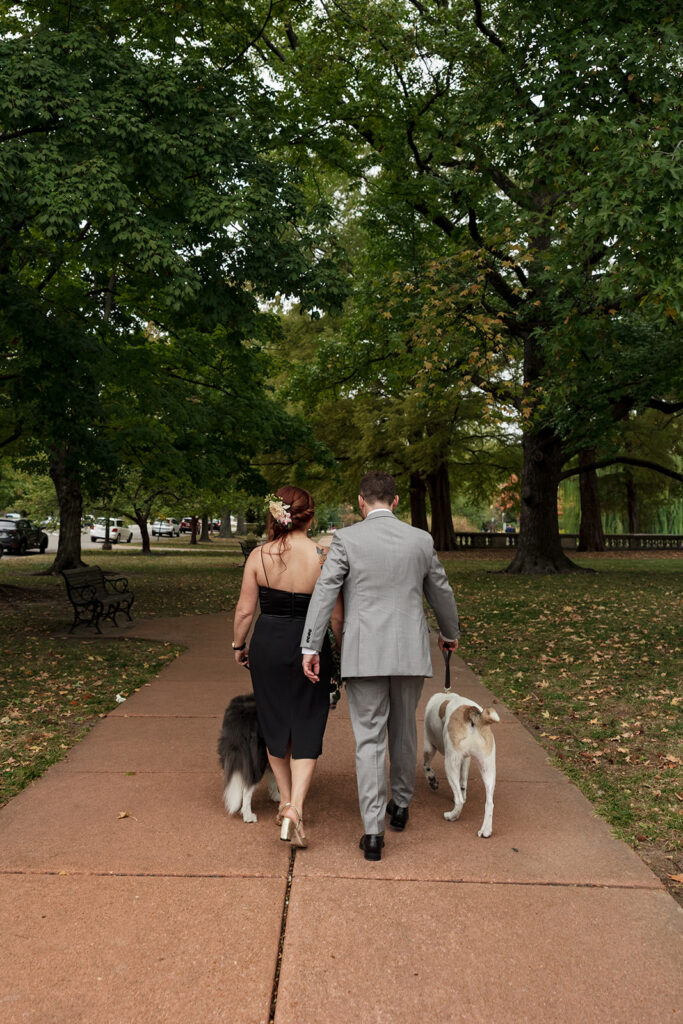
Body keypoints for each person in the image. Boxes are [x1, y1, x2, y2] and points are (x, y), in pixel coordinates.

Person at [301, 471, 459, 862]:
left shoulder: (348, 540)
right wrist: (449, 632)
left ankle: (372, 832)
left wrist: (310, 644)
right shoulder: (420, 540)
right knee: (404, 728)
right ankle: (401, 807)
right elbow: (441, 589)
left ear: (360, 502)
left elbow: (325, 592)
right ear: (396, 500)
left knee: (369, 739)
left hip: (364, 653)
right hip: (408, 652)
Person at [232, 486, 343, 849]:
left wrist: (239, 644)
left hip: (268, 644)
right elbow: (337, 615)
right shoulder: (324, 556)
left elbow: (246, 611)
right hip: (311, 646)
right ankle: (295, 806)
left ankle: (284, 798)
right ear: (310, 515)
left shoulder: (257, 556)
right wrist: (339, 650)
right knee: (308, 720)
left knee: (275, 719)